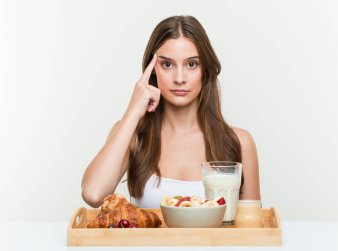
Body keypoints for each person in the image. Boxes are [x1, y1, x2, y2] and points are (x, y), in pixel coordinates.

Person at [81, 15, 261, 208]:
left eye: (192, 64)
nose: (179, 78)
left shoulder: (239, 142)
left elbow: (251, 228)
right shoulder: (132, 135)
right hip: (148, 241)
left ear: (206, 70)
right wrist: (133, 111)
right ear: (152, 70)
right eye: (167, 64)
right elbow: (93, 194)